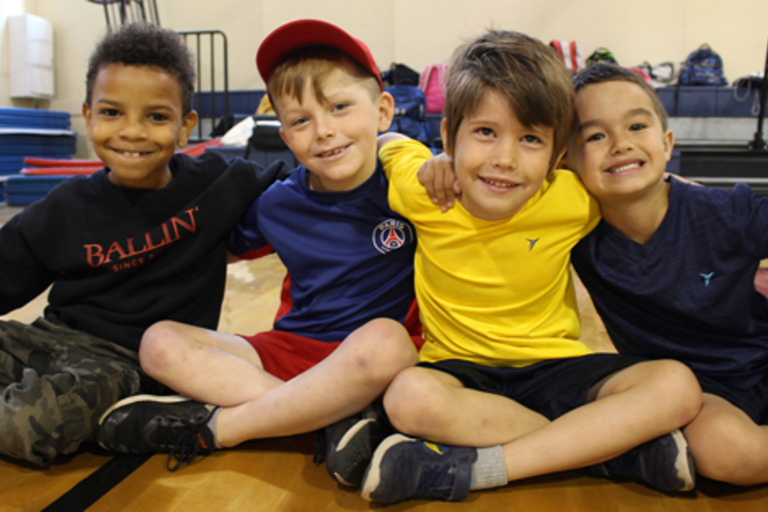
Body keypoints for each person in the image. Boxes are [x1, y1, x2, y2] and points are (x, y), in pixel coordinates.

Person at [358, 31, 703, 504]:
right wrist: (431, 161)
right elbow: (389, 141)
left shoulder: (574, 197)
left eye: (530, 139)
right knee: (407, 398)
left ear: (558, 156)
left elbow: (650, 184)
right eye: (485, 132)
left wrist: (685, 187)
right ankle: (606, 451)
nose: (505, 159)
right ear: (447, 136)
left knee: (676, 385)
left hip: (557, 367)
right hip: (461, 375)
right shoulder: (424, 190)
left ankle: (485, 466)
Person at [96, 19, 423, 482]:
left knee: (385, 342)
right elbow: (209, 252)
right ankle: (330, 421)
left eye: (340, 107)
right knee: (159, 342)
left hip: (374, 359)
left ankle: (222, 427)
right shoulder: (277, 204)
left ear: (384, 111)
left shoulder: (415, 184)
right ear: (286, 138)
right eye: (301, 121)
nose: (324, 131)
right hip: (292, 349)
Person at [0, 23, 291, 466]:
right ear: (89, 115)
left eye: (156, 117)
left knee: (30, 423)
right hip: (51, 338)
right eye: (113, 112)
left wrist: (388, 147)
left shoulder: (218, 184)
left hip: (126, 365)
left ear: (184, 126)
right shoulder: (64, 207)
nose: (132, 132)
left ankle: (140, 414)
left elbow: (315, 182)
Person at [567, 63, 768, 487]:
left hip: (760, 359)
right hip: (701, 392)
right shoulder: (571, 231)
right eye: (595, 135)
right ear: (566, 161)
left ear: (666, 141)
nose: (620, 144)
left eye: (637, 126)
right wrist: (444, 164)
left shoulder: (727, 211)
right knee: (730, 454)